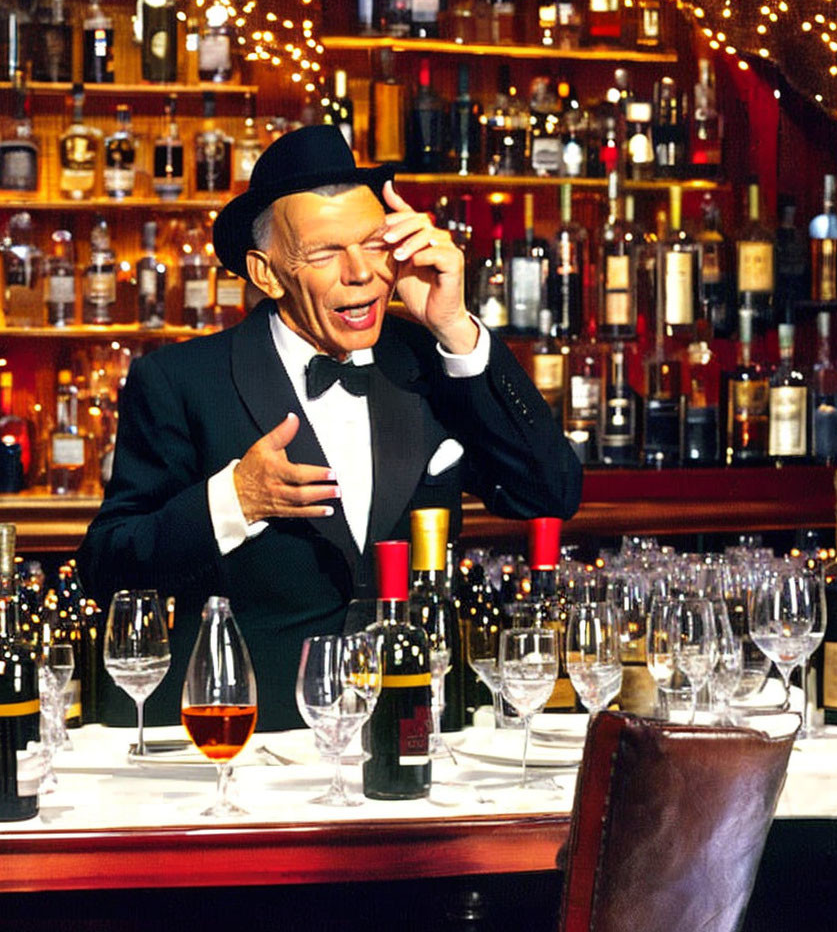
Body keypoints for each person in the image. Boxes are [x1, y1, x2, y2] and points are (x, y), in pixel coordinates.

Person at [77, 126, 582, 731]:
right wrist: (232, 501)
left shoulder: (432, 360)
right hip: (250, 742)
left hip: (409, 732)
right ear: (267, 274)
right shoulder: (179, 380)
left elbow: (549, 492)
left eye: (374, 245)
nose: (360, 273)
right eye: (324, 253)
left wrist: (457, 330)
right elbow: (107, 566)